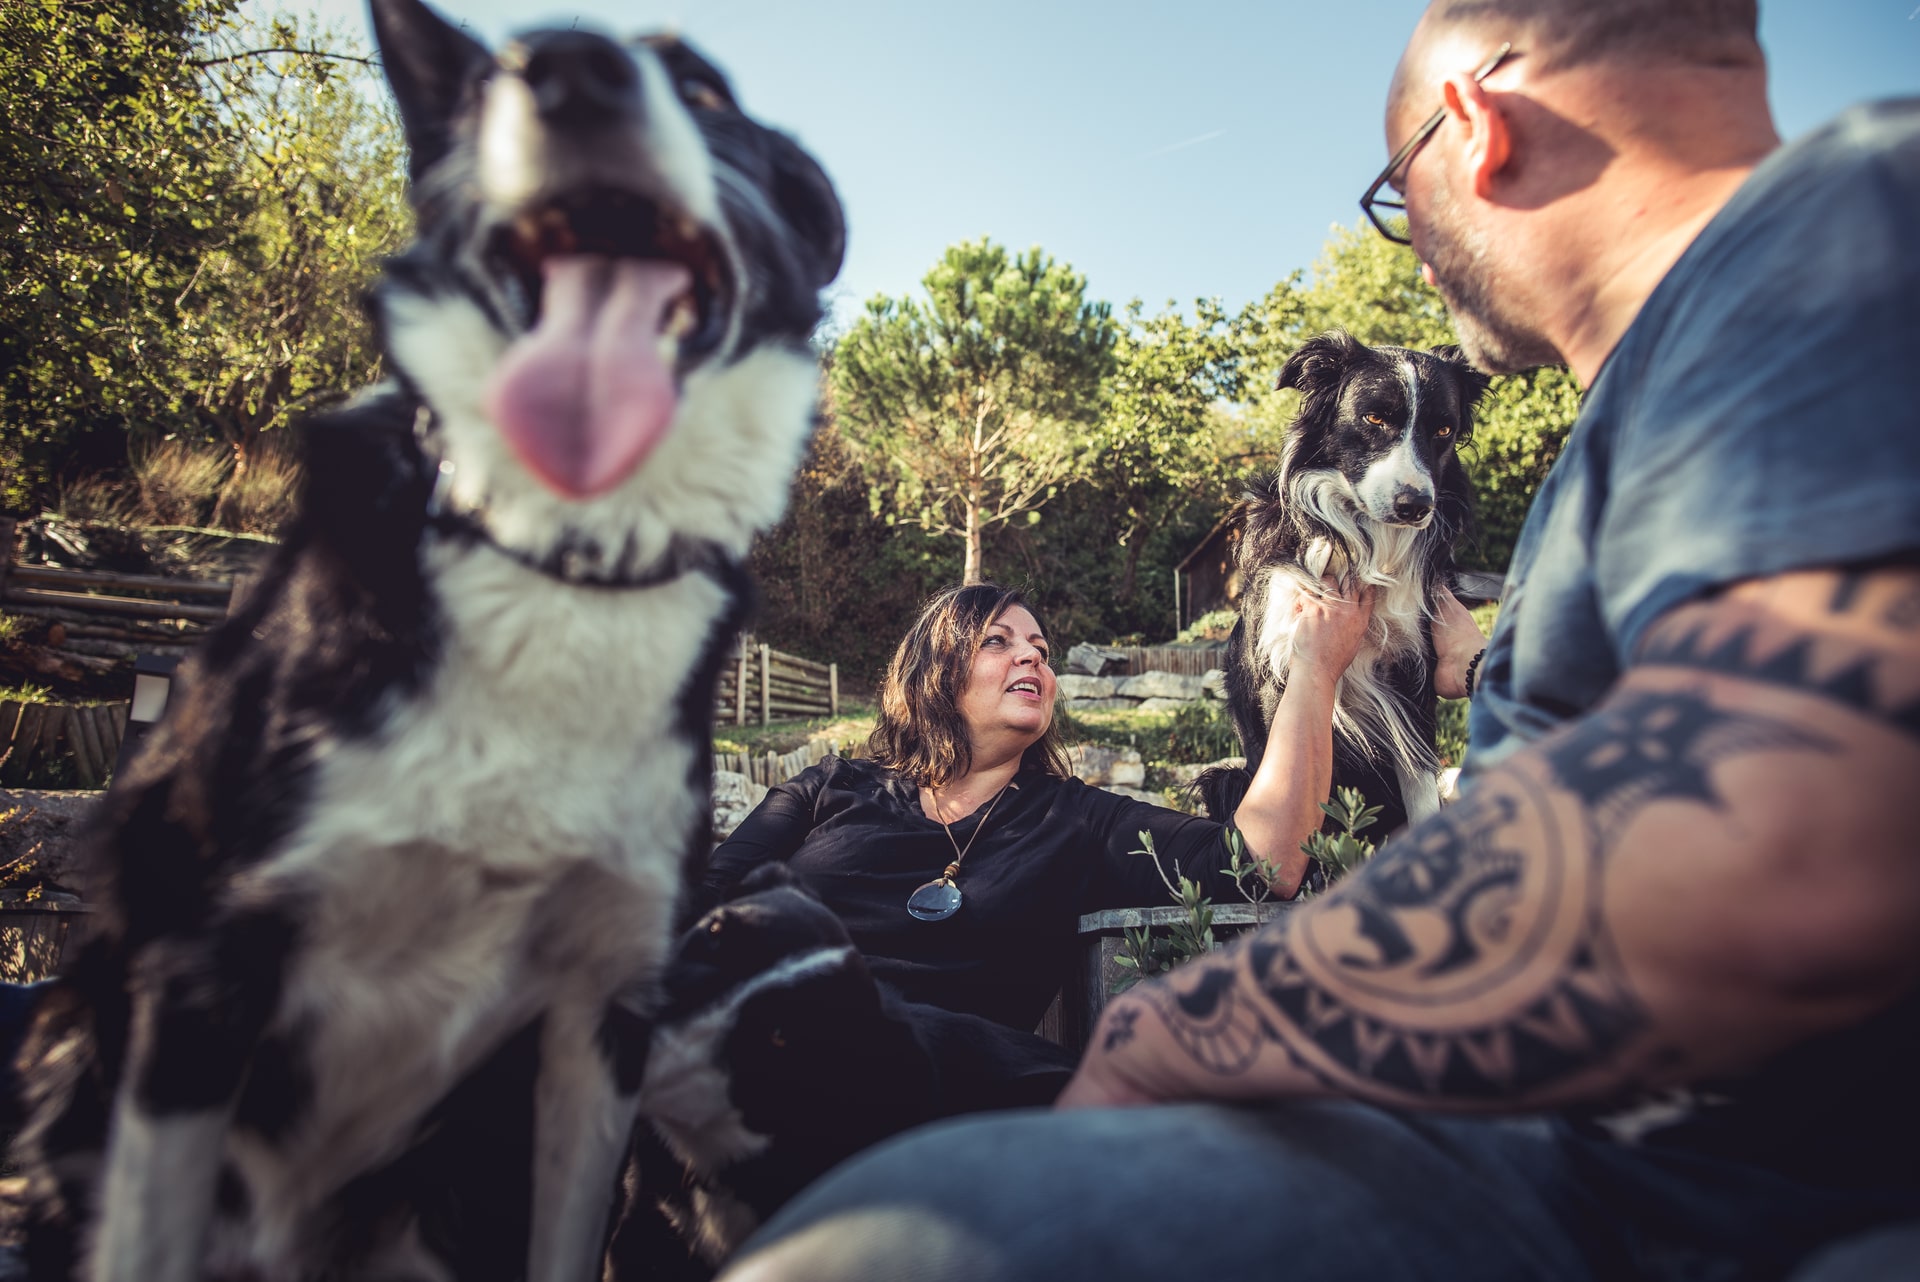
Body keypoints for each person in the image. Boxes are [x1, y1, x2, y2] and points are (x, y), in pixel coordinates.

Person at [715, 3, 1920, 1279]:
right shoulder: (1655, 404)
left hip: (1697, 1185)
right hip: (1535, 1137)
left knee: (896, 1247)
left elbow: (1789, 829)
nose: (1413, 261)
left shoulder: (1843, 226)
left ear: (1475, 128)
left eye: (1397, 205)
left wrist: (1209, 1019)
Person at [701, 578, 1406, 1063]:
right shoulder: (832, 789)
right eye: (999, 642)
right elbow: (702, 907)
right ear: (933, 670)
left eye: (1039, 648)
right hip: (771, 1051)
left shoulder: (1077, 821)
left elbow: (1265, 863)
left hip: (948, 1089)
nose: (1032, 656)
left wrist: (1316, 668)